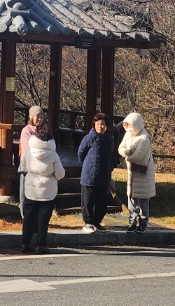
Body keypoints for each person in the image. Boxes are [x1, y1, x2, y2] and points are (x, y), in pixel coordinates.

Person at [20, 118, 65, 253]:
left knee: (28, 217)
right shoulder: (53, 154)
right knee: (43, 219)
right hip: (47, 190)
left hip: (31, 188)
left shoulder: (28, 151)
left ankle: (25, 243)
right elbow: (60, 174)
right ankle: (41, 245)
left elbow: (24, 167)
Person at [76, 112, 115, 232]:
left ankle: (96, 222)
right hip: (89, 175)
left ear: (106, 126)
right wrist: (88, 166)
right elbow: (81, 153)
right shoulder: (89, 138)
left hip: (103, 175)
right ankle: (87, 222)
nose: (100, 127)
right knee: (88, 201)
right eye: (98, 124)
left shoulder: (109, 139)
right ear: (94, 125)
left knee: (101, 203)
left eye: (103, 124)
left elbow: (111, 155)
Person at [118, 111, 156, 232]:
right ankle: (132, 221)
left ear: (137, 124)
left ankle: (143, 222)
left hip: (143, 174)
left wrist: (127, 156)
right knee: (131, 198)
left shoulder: (144, 138)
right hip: (132, 173)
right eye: (127, 125)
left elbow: (137, 156)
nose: (129, 127)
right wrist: (128, 152)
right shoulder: (128, 134)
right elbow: (120, 148)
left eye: (131, 125)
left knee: (143, 199)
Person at [17, 105, 44, 216]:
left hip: (40, 166)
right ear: (31, 117)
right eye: (37, 117)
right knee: (25, 192)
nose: (39, 119)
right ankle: (24, 216)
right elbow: (26, 148)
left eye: (41, 117)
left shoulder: (44, 130)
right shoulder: (26, 130)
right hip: (27, 165)